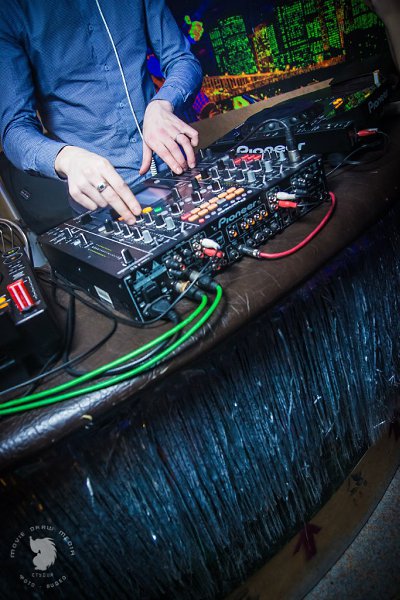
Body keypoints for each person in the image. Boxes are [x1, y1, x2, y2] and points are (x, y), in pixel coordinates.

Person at [0, 1, 203, 224]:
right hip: (104, 204)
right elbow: (14, 128)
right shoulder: (10, 9)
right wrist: (65, 158)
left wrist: (163, 102)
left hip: (179, 172)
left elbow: (182, 60)